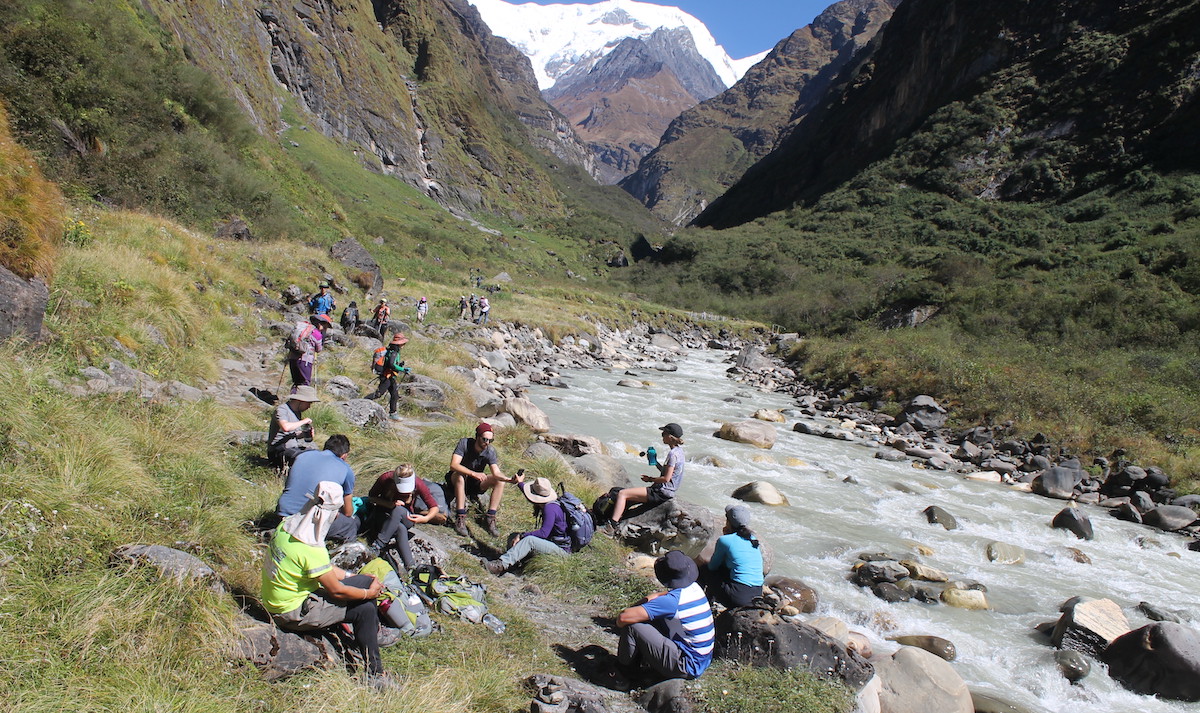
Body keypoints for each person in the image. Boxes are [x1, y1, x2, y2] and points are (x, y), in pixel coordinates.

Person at [260, 480, 397, 689]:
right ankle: (375, 673)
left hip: (278, 600)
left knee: (365, 581)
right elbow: (337, 591)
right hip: (292, 612)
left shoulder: (287, 527)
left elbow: (323, 569)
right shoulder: (311, 548)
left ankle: (367, 634)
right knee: (365, 609)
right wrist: (368, 594)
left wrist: (355, 577)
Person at [615, 549, 714, 682]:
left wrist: (639, 605)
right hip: (701, 659)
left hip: (686, 665)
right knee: (652, 619)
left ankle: (622, 672)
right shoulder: (694, 588)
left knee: (633, 626)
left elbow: (622, 618)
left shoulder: (672, 602)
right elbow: (662, 597)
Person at [480, 473, 569, 575]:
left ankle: (500, 566)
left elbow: (544, 533)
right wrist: (519, 483)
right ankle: (513, 564)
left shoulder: (550, 509)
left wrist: (522, 535)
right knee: (513, 536)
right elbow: (528, 493)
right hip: (553, 543)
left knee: (529, 540)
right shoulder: (551, 504)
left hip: (562, 550)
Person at [276, 434, 359, 543]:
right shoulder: (346, 470)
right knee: (351, 524)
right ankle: (344, 550)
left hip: (282, 512)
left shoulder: (302, 456)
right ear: (344, 455)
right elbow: (348, 512)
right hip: (305, 520)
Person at [363, 463, 444, 572]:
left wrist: (425, 518)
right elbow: (371, 498)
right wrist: (390, 504)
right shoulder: (385, 478)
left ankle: (378, 545)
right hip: (383, 516)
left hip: (405, 516)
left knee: (398, 510)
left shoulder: (418, 483)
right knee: (400, 528)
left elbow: (434, 507)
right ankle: (411, 567)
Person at [608, 423, 685, 526]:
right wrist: (655, 462)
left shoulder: (672, 454)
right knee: (629, 498)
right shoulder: (680, 452)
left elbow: (666, 478)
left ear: (670, 437)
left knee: (623, 494)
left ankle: (612, 524)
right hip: (668, 491)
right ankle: (619, 518)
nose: (662, 436)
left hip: (661, 492)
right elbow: (668, 472)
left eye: (663, 434)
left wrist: (650, 479)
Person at [446, 422, 514, 537]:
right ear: (477, 437)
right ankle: (460, 517)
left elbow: (496, 472)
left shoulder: (490, 451)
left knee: (499, 481)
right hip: (457, 480)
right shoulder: (464, 443)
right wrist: (473, 473)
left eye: (490, 440)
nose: (487, 443)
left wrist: (508, 479)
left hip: (475, 484)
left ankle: (490, 517)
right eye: (484, 439)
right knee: (460, 476)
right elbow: (454, 465)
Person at [699, 505, 764, 608]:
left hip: (738, 596)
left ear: (728, 522)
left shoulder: (725, 540)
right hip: (757, 594)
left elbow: (712, 567)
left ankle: (701, 603)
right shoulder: (752, 539)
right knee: (725, 569)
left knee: (704, 569)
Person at [266, 385, 320, 466]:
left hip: (292, 448)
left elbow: (291, 434)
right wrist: (303, 421)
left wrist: (304, 434)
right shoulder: (282, 410)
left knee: (317, 455)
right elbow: (285, 427)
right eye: (308, 403)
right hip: (278, 451)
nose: (309, 407)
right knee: (303, 458)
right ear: (300, 401)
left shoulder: (297, 413)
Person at [365, 332, 408, 420]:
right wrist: (402, 369)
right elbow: (391, 364)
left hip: (389, 376)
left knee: (394, 394)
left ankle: (393, 413)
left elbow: (391, 363)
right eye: (403, 343)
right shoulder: (394, 352)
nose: (404, 345)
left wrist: (399, 365)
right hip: (387, 376)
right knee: (379, 393)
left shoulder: (391, 350)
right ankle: (364, 401)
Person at [287, 313, 329, 390]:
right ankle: (301, 397)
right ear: (320, 324)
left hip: (293, 357)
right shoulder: (316, 333)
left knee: (296, 382)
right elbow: (318, 349)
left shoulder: (304, 328)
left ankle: (293, 396)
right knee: (304, 383)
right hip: (305, 360)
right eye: (325, 326)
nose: (325, 328)